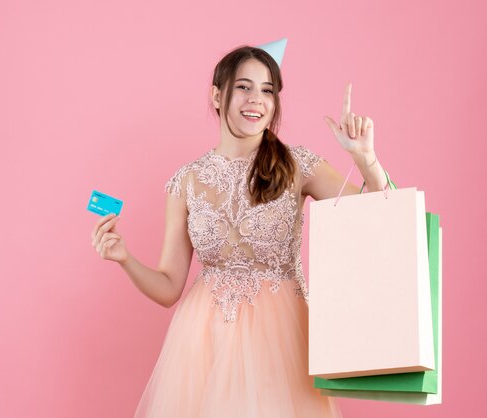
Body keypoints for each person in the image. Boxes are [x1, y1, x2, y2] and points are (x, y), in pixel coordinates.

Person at [90, 45, 389, 418]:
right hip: (202, 343)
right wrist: (124, 259)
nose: (257, 100)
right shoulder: (186, 181)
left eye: (267, 90)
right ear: (218, 95)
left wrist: (366, 159)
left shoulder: (299, 166)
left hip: (281, 339)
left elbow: (381, 219)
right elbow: (169, 287)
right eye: (244, 87)